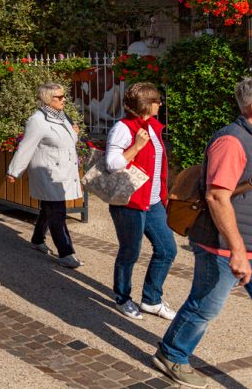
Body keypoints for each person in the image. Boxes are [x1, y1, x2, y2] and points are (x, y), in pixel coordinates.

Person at [154, 78, 252, 388]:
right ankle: (172, 354)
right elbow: (216, 197)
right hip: (223, 243)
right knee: (205, 305)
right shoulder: (232, 141)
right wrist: (237, 250)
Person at [105, 82, 177, 321]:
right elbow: (112, 163)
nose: (161, 104)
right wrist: (136, 146)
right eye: (157, 100)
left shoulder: (153, 128)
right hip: (130, 202)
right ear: (147, 104)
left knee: (167, 249)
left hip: (153, 201)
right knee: (130, 252)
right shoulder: (123, 128)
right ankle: (122, 298)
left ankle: (151, 300)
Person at [6, 82, 84, 268]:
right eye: (59, 97)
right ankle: (66, 253)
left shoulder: (61, 116)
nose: (64, 99)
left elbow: (65, 140)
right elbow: (26, 146)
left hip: (62, 172)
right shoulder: (37, 120)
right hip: (47, 172)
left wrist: (75, 134)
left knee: (50, 208)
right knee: (57, 211)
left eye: (64, 96)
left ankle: (37, 239)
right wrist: (14, 171)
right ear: (48, 99)